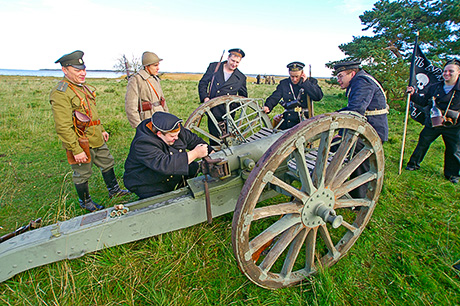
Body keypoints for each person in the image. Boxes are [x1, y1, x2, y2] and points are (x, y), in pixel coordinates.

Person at [50, 50, 129, 212]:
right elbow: (63, 126)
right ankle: (85, 202)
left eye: (83, 69)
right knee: (82, 172)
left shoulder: (82, 88)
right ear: (65, 70)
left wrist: (102, 129)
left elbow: (91, 113)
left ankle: (114, 190)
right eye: (77, 70)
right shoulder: (61, 93)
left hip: (96, 136)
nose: (83, 73)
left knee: (107, 162)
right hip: (80, 140)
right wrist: (76, 150)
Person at [123, 112, 213, 199]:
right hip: (148, 182)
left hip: (167, 176)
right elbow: (166, 165)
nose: (176, 138)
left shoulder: (172, 129)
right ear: (159, 134)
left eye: (177, 135)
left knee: (193, 167)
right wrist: (195, 153)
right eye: (172, 136)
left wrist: (212, 153)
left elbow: (193, 140)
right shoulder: (143, 144)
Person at [333, 60, 389, 198]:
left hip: (371, 132)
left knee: (358, 159)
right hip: (363, 129)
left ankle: (360, 198)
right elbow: (351, 111)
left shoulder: (362, 82)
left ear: (352, 73)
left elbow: (355, 111)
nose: (338, 80)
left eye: (340, 76)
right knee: (336, 147)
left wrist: (341, 134)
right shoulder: (358, 81)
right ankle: (344, 187)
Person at [405, 59, 460, 183]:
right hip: (434, 122)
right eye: (445, 71)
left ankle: (452, 175)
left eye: (451, 71)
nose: (447, 73)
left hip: (454, 125)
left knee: (454, 150)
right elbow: (424, 102)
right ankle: (413, 164)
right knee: (423, 142)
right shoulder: (435, 87)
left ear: (458, 72)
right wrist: (413, 94)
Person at [198, 49, 248, 144]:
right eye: (233, 61)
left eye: (237, 62)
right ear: (228, 58)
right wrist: (205, 98)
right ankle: (214, 156)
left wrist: (233, 107)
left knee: (228, 138)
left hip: (228, 112)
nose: (234, 64)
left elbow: (243, 97)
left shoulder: (241, 77)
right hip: (213, 109)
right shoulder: (214, 67)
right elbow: (203, 83)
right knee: (214, 137)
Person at [263, 62, 323, 130]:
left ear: (302, 73)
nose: (294, 79)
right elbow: (275, 96)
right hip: (288, 118)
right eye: (292, 76)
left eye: (297, 76)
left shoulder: (310, 82)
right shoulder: (284, 83)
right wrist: (268, 106)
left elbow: (318, 97)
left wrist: (306, 83)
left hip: (304, 120)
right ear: (289, 74)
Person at [125, 51, 168, 129]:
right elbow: (131, 107)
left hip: (161, 118)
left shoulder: (156, 79)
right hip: (147, 120)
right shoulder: (136, 80)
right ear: (147, 66)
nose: (158, 68)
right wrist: (139, 127)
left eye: (158, 65)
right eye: (155, 65)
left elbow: (163, 102)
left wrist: (167, 118)